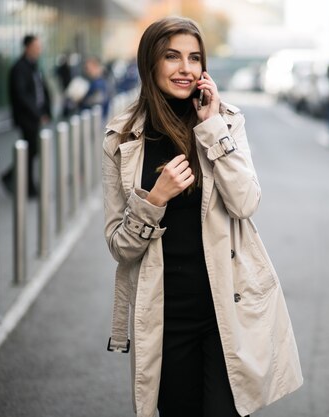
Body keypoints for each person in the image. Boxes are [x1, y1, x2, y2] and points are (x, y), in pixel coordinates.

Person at [102, 17, 302, 417]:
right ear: (150, 63)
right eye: (172, 56)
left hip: (226, 308)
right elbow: (120, 248)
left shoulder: (225, 120)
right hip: (165, 314)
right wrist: (153, 200)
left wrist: (211, 128)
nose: (186, 68)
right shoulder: (123, 138)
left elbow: (246, 202)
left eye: (195, 58)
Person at [2, 34, 51, 197]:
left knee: (31, 150)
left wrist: (46, 110)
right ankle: (27, 187)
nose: (39, 49)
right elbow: (22, 95)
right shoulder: (19, 68)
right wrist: (38, 114)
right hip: (26, 117)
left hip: (35, 116)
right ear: (27, 47)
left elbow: (41, 90)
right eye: (36, 46)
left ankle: (11, 176)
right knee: (29, 150)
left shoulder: (34, 66)